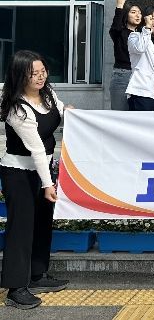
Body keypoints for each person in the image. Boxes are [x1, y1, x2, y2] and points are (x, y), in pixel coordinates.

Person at [0, 51, 71, 309]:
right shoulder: (17, 108)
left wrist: (70, 112)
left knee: (42, 223)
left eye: (43, 72)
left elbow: (61, 111)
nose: (41, 77)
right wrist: (48, 184)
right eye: (34, 74)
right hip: (18, 173)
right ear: (21, 76)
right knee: (21, 228)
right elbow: (37, 149)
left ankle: (38, 275)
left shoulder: (48, 94)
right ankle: (15, 288)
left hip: (42, 171)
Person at [108, 0, 142, 111]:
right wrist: (119, 6)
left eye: (139, 13)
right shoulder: (119, 33)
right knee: (120, 113)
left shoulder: (143, 34)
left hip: (140, 76)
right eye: (133, 12)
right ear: (126, 15)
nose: (138, 15)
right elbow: (115, 27)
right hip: (122, 75)